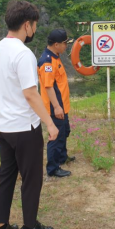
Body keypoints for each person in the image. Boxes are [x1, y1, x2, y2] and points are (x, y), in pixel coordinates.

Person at [0, 0, 59, 229]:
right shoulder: (23, 53)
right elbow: (30, 94)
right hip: (23, 129)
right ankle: (29, 227)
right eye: (35, 26)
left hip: (2, 127)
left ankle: (0, 227)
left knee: (6, 174)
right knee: (31, 178)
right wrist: (50, 123)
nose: (35, 31)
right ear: (27, 25)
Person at [38, 29, 75, 178]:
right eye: (65, 43)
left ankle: (62, 158)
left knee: (64, 132)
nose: (66, 46)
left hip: (62, 106)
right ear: (56, 44)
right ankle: (53, 169)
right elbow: (48, 87)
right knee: (56, 136)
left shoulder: (56, 57)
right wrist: (57, 107)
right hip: (55, 108)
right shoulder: (47, 61)